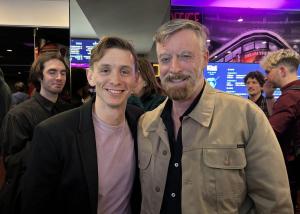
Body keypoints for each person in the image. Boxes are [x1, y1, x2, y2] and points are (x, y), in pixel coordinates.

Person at [138, 19, 293, 213]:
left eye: (185, 56)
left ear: (204, 58)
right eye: (165, 59)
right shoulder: (146, 124)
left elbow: (275, 205)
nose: (174, 68)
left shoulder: (246, 117)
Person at [21, 37, 143, 214]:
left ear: (135, 79)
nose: (115, 80)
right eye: (105, 70)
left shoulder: (143, 123)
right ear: (90, 76)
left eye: (124, 71)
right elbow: (34, 205)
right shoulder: (53, 133)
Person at [0, 52, 71, 214]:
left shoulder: (67, 111)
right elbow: (12, 162)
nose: (59, 77)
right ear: (39, 77)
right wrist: (49, 145)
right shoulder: (19, 114)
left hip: (60, 194)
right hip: (31, 197)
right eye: (52, 72)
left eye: (63, 73)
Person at [260, 48, 300, 211]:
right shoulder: (293, 93)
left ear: (282, 70)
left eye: (268, 71)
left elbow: (269, 133)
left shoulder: (289, 97)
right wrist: (269, 96)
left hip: (292, 169)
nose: (266, 77)